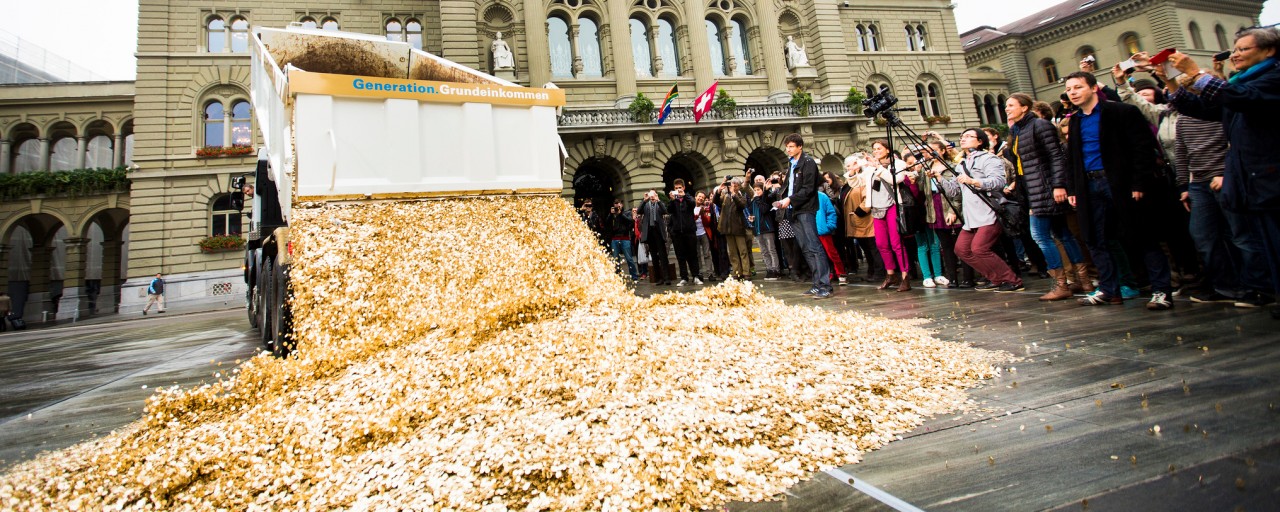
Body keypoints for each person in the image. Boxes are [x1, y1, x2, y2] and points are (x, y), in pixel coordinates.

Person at [1167, 27, 1280, 315]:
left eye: (1244, 48)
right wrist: (1168, 78)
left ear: (1269, 51)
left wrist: (1196, 72)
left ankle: (1260, 287)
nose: (1236, 54)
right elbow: (1204, 109)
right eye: (1236, 48)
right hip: (1253, 178)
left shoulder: (1272, 78)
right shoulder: (1241, 82)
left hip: (1270, 175)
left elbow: (1239, 97)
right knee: (1267, 243)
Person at [1064, 71, 1174, 310]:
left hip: (1120, 182)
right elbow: (1072, 157)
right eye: (1069, 89)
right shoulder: (1075, 120)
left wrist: (1138, 183)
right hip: (1089, 185)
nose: (1072, 92)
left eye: (1077, 87)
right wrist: (1073, 187)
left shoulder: (1120, 112)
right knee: (1096, 238)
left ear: (1094, 88)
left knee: (1142, 235)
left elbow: (1142, 149)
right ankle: (1109, 289)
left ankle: (1161, 290)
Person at [1005, 93, 1090, 300]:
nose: (1007, 108)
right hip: (1033, 188)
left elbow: (1056, 157)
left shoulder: (1040, 125)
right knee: (1062, 234)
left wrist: (1059, 185)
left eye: (1010, 105)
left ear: (1024, 107)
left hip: (1044, 188)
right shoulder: (1017, 129)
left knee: (1040, 236)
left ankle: (1061, 284)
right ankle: (1082, 280)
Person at [937, 129, 1023, 292]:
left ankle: (1012, 280)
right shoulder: (962, 163)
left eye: (969, 136)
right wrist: (939, 178)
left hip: (988, 211)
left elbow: (998, 182)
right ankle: (995, 278)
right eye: (962, 136)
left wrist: (974, 181)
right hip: (971, 216)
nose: (963, 139)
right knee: (961, 250)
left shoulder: (988, 159)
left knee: (979, 248)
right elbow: (954, 191)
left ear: (980, 141)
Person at [777, 133, 832, 299]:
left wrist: (790, 199)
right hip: (793, 209)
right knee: (806, 248)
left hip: (806, 208)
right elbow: (789, 186)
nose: (788, 149)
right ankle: (816, 284)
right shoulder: (792, 163)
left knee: (814, 246)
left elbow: (808, 189)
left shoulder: (807, 163)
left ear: (800, 146)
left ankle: (825, 285)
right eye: (787, 146)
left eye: (792, 146)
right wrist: (782, 200)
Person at [864, 139, 912, 292]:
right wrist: (853, 171)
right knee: (881, 244)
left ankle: (905, 276)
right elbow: (858, 182)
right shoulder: (871, 167)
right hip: (877, 208)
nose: (876, 151)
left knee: (897, 243)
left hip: (892, 205)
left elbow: (896, 179)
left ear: (887, 150)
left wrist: (877, 167)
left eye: (879, 148)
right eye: (874, 149)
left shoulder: (897, 164)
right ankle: (891, 274)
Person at [841, 154, 880, 283]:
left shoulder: (864, 178)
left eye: (849, 165)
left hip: (866, 219)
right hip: (857, 221)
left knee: (872, 248)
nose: (847, 168)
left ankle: (879, 272)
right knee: (867, 249)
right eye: (846, 166)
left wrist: (859, 212)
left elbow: (867, 198)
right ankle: (871, 271)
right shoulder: (850, 182)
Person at [667, 179, 702, 286]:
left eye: (680, 188)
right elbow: (669, 210)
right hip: (677, 233)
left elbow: (693, 204)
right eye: (676, 188)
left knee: (692, 255)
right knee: (680, 256)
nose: (678, 190)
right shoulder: (674, 200)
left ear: (683, 188)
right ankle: (684, 277)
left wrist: (684, 196)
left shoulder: (689, 198)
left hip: (689, 231)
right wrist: (673, 200)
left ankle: (695, 276)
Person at [816, 172, 847, 285]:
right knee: (819, 255)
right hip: (812, 230)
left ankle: (841, 273)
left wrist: (829, 226)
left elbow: (831, 212)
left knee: (831, 252)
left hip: (823, 229)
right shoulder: (806, 197)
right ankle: (827, 274)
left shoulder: (822, 196)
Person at [717, 177, 751, 280]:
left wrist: (734, 195)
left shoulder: (741, 196)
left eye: (736, 185)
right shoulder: (725, 196)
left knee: (743, 251)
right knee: (732, 252)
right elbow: (716, 201)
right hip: (727, 228)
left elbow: (741, 205)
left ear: (739, 186)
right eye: (732, 185)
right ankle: (737, 272)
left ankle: (746, 272)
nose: (733, 187)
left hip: (739, 228)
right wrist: (719, 190)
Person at [638, 190, 672, 285]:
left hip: (659, 232)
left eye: (654, 195)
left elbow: (665, 211)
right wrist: (644, 200)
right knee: (654, 257)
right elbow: (639, 211)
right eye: (650, 195)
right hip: (650, 233)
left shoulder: (659, 204)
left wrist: (659, 200)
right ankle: (659, 278)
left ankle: (667, 277)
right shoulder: (645, 204)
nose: (652, 197)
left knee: (663, 256)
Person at [748, 183, 780, 280]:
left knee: (771, 249)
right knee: (764, 251)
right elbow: (752, 212)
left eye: (759, 189)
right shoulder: (753, 201)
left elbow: (764, 210)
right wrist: (751, 218)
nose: (757, 192)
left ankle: (775, 270)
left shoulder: (765, 199)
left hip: (767, 228)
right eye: (755, 190)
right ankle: (769, 269)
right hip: (757, 229)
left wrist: (758, 199)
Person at [606, 199, 639, 282]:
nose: (617, 207)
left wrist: (620, 214)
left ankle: (634, 276)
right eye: (615, 205)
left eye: (618, 205)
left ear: (622, 205)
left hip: (625, 238)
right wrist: (611, 214)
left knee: (629, 259)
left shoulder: (626, 213)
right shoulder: (612, 215)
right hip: (614, 238)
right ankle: (618, 276)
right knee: (616, 259)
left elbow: (630, 222)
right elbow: (607, 224)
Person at [693, 191, 716, 282]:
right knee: (697, 255)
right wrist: (698, 215)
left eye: (702, 197)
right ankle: (700, 273)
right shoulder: (691, 207)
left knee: (707, 254)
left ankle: (710, 273)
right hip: (694, 234)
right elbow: (691, 220)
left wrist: (702, 215)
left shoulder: (705, 208)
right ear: (695, 197)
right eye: (699, 196)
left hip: (703, 233)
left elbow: (708, 222)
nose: (701, 198)